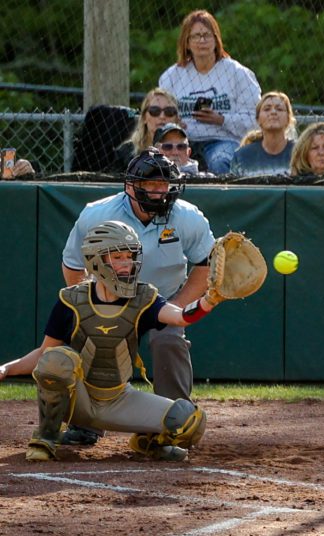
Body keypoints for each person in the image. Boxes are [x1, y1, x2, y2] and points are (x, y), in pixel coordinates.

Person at [0, 221, 212, 462]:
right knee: (56, 359)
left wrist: (210, 299)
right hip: (76, 401)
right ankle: (46, 437)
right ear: (95, 260)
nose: (126, 263)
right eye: (118, 257)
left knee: (189, 420)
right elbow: (43, 354)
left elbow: (181, 317)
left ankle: (149, 442)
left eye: (129, 256)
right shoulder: (72, 300)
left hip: (118, 399)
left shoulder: (144, 296)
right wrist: (6, 369)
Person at [60, 150, 215, 445]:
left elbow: (205, 265)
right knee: (90, 343)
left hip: (164, 297)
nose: (159, 191)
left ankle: (176, 421)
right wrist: (90, 304)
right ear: (130, 187)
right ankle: (85, 423)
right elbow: (73, 264)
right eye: (151, 184)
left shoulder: (187, 216)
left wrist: (175, 307)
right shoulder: (97, 214)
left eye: (164, 184)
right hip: (110, 297)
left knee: (169, 340)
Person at [159, 9, 262, 174]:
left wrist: (221, 119)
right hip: (181, 142)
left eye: (207, 35)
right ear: (186, 42)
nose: (202, 40)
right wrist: (174, 123)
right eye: (196, 36)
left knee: (220, 161)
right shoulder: (172, 76)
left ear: (216, 40)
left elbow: (255, 121)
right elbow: (158, 116)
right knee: (163, 163)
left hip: (223, 141)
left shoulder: (237, 73)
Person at [112, 88, 180, 171]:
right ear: (144, 117)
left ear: (176, 119)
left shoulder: (186, 149)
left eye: (169, 111)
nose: (162, 116)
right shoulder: (125, 152)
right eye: (155, 111)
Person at [230, 91, 296, 178]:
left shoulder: (300, 153)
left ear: (288, 119)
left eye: (279, 109)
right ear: (258, 120)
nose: (273, 112)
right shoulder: (241, 156)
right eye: (267, 109)